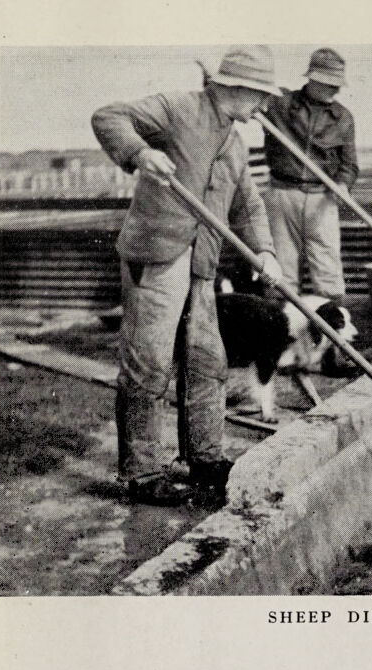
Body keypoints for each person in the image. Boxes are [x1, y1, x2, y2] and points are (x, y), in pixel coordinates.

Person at [92, 46, 283, 506]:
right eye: (260, 96)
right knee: (150, 362)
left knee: (206, 360)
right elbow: (108, 116)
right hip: (158, 255)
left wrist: (265, 249)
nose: (263, 108)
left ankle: (205, 458)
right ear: (237, 87)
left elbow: (249, 204)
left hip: (202, 263)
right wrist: (139, 153)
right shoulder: (179, 109)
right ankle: (143, 474)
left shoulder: (235, 143)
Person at [262, 48, 358, 302]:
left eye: (338, 85)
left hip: (322, 197)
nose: (335, 90)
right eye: (329, 84)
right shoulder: (279, 102)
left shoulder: (343, 118)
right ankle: (284, 334)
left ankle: (332, 335)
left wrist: (344, 185)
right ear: (312, 79)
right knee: (281, 270)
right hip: (282, 194)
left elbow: (349, 165)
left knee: (327, 269)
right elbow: (246, 94)